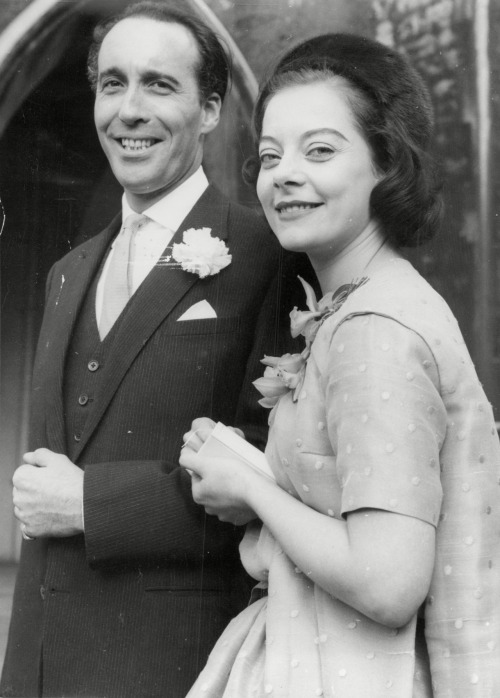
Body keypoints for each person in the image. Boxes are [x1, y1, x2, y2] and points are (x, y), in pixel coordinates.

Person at [180, 33, 500, 697]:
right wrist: (251, 467)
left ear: (389, 165)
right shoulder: (356, 305)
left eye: (320, 150)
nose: (283, 174)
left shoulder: (374, 329)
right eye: (269, 155)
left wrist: (253, 492)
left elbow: (387, 582)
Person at [0, 3, 290, 697]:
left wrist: (90, 503)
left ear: (212, 109)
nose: (129, 110)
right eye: (112, 84)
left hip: (171, 664)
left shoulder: (266, 256)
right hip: (40, 664)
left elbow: (280, 482)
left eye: (159, 85)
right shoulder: (66, 275)